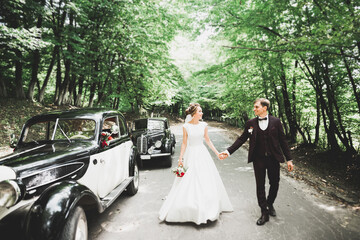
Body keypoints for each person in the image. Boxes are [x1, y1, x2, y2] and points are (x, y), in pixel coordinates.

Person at [220, 98, 294, 226]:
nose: (254, 109)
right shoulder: (250, 123)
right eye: (254, 107)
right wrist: (228, 151)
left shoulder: (276, 122)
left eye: (256, 107)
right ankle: (264, 212)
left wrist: (289, 159)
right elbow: (242, 139)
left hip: (273, 158)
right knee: (260, 185)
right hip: (258, 159)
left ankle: (270, 203)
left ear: (264, 108)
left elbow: (283, 141)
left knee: (274, 182)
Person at [159, 103, 233, 224]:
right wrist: (180, 159)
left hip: (202, 154)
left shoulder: (204, 125)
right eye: (200, 111)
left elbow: (208, 140)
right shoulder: (186, 126)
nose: (202, 113)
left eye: (201, 111)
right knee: (190, 179)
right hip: (190, 154)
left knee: (204, 179)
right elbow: (184, 143)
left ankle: (206, 207)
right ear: (193, 114)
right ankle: (190, 208)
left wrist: (217, 153)